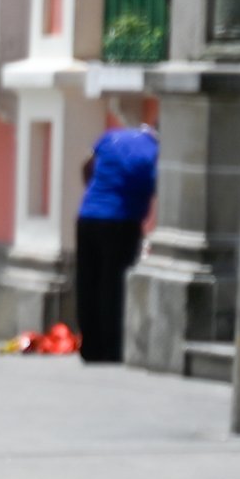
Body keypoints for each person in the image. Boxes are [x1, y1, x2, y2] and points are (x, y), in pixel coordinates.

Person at [75, 124, 159, 364]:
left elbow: (87, 165)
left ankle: (90, 348)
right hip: (121, 219)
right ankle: (112, 349)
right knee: (113, 286)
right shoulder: (153, 151)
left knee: (87, 283)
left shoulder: (110, 137)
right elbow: (156, 184)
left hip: (88, 215)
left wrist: (93, 192)